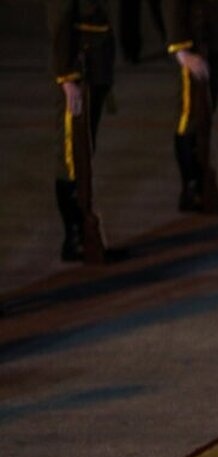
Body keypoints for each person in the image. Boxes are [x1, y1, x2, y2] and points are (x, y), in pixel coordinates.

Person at [50, 0, 115, 262]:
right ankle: (76, 236)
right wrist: (66, 75)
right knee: (71, 157)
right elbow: (59, 17)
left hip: (95, 62)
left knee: (84, 151)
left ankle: (84, 234)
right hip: (79, 65)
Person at [164, 0, 218, 212]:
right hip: (194, 40)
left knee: (205, 113)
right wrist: (181, 49)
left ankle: (202, 184)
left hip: (214, 33)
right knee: (189, 115)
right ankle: (193, 188)